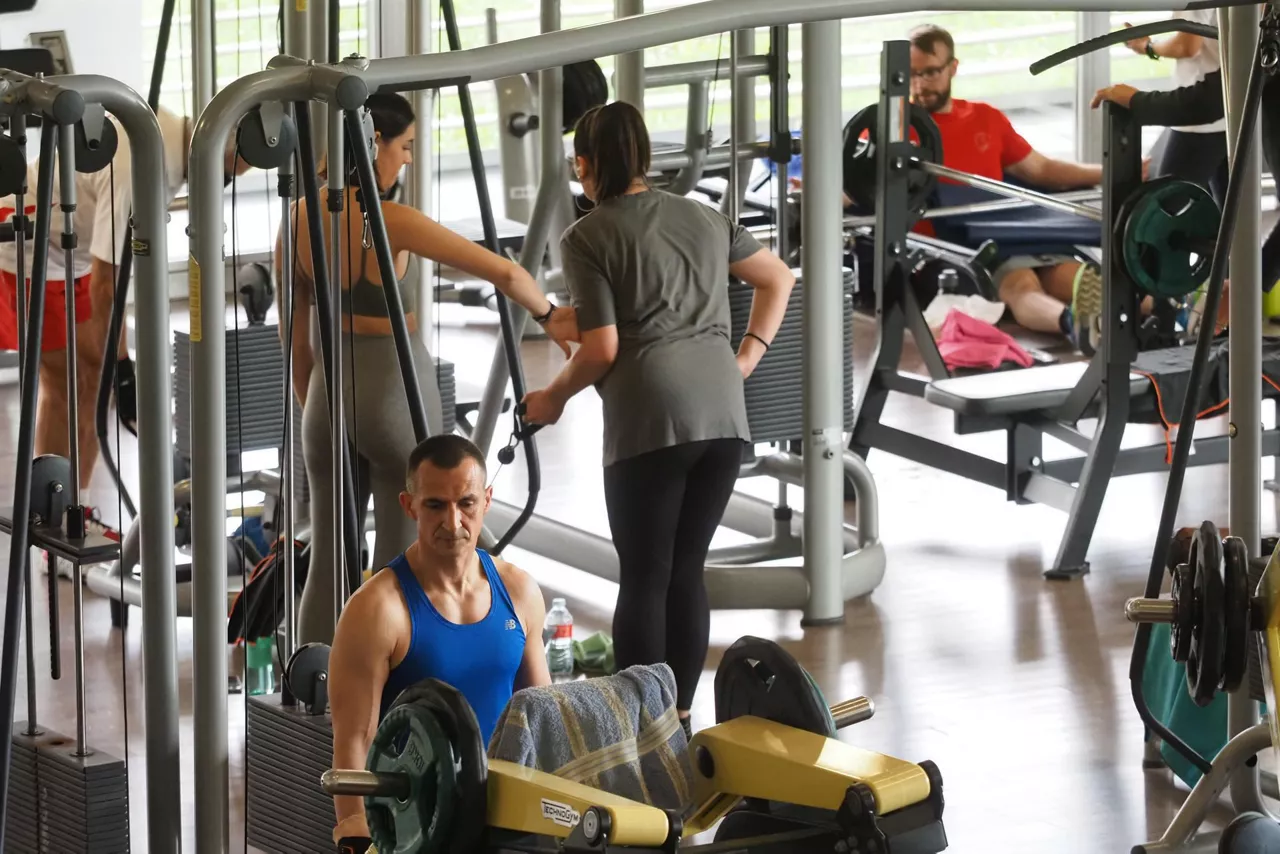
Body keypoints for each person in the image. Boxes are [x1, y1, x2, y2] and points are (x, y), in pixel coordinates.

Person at [521, 101, 796, 737]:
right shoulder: (705, 215)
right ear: (644, 156)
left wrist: (552, 399)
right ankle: (678, 719)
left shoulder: (586, 235)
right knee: (686, 570)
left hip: (651, 419)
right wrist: (746, 355)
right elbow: (777, 278)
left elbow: (603, 349)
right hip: (724, 413)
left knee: (644, 575)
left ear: (584, 165)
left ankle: (640, 733)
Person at [279, 91, 578, 646]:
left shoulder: (297, 217)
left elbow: (292, 330)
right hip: (394, 392)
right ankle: (395, 694)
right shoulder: (393, 220)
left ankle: (314, 690)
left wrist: (316, 406)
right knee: (400, 567)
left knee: (328, 553)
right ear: (374, 146)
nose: (409, 159)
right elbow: (507, 275)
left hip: (326, 398)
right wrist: (553, 316)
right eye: (406, 146)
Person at [0, 105, 250, 537]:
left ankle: (64, 515)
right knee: (76, 385)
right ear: (230, 144)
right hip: (21, 252)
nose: (238, 177)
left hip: (64, 257)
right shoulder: (144, 164)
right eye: (241, 166)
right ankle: (54, 526)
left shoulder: (165, 134)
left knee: (84, 385)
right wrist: (123, 366)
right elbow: (105, 284)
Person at [327, 434, 551, 853]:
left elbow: (543, 715)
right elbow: (354, 739)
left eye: (466, 503)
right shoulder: (377, 609)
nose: (453, 523)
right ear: (409, 505)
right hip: (420, 822)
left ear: (486, 500)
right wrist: (357, 832)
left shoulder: (519, 591)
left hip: (509, 813)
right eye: (435, 505)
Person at [906, 23, 1119, 353]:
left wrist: (1112, 172)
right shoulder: (894, 128)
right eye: (912, 74)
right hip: (963, 243)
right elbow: (855, 187)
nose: (920, 85)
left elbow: (1043, 170)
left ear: (953, 68)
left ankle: (1174, 310)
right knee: (1023, 286)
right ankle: (1075, 326)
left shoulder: (985, 118)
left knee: (1081, 277)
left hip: (1015, 227)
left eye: (931, 73)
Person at [1119, 11, 1228, 203]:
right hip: (1231, 111)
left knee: (1165, 208)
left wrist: (1147, 46)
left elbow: (1186, 46)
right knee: (1231, 212)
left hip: (1202, 115)